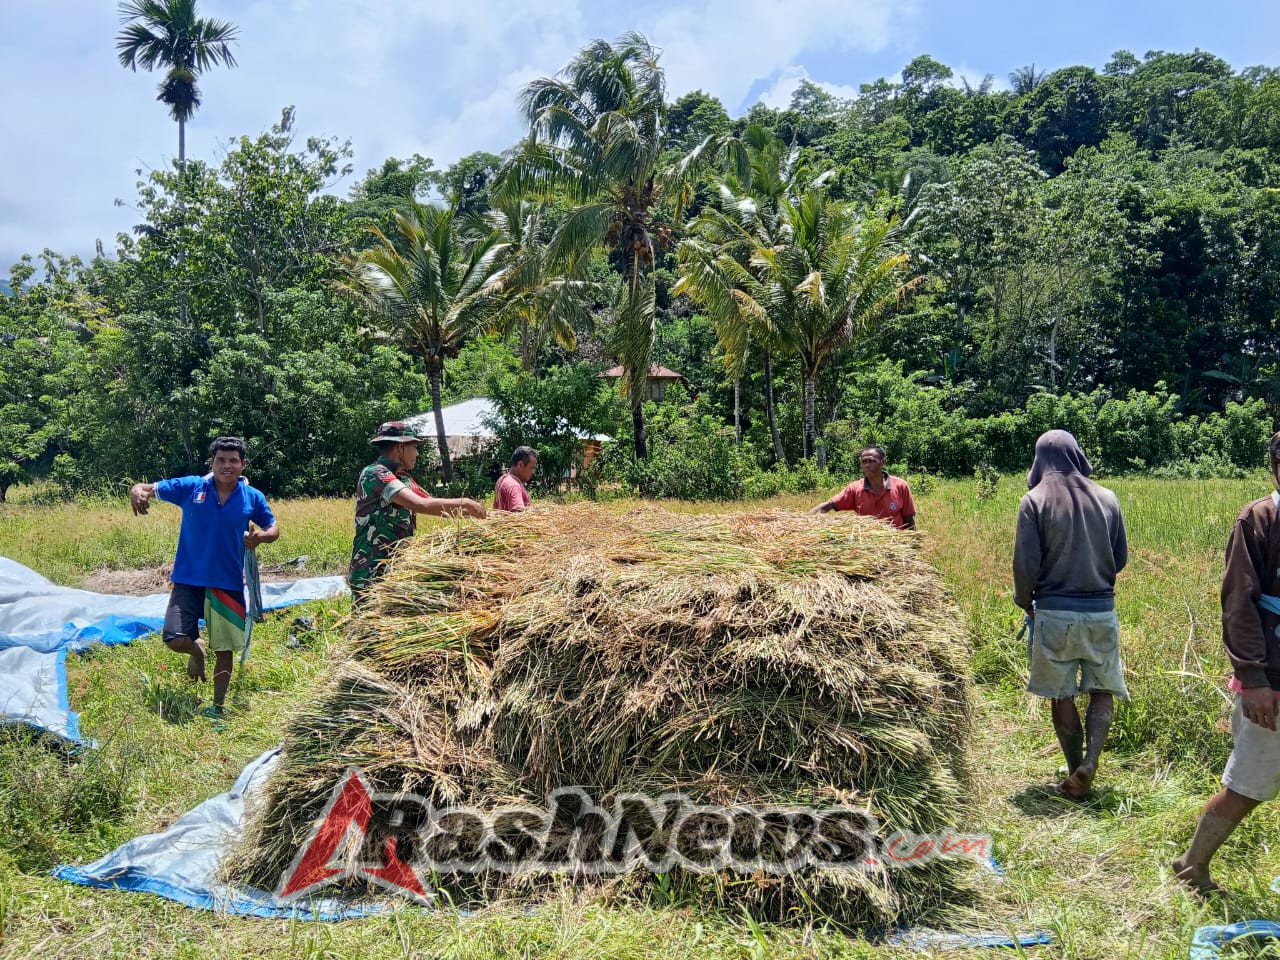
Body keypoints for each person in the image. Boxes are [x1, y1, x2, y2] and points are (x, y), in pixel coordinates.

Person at [1173, 432, 1280, 896]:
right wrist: (1253, 678)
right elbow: (1239, 602)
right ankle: (1191, 864)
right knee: (1249, 784)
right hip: (1271, 680)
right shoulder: (1260, 519)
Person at [1013, 429, 1128, 799]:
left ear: (1039, 459)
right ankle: (1091, 762)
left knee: (1061, 694)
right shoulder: (1107, 498)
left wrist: (1023, 599)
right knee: (1103, 688)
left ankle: (1074, 766)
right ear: (1076, 454)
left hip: (1055, 613)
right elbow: (1120, 557)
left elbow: (1026, 564)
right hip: (1101, 611)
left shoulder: (1034, 500)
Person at [129, 436, 279, 718]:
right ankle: (196, 652)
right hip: (188, 579)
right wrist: (137, 491)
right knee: (174, 638)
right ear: (212, 463)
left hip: (227, 582)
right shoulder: (191, 487)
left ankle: (218, 707)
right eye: (221, 460)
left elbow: (273, 528)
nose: (227, 465)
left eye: (233, 460)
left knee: (225, 650)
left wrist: (261, 537)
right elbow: (145, 487)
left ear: (242, 465)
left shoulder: (252, 497)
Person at [349, 422, 486, 603]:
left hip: (394, 568)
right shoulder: (375, 474)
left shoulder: (402, 478)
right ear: (400, 447)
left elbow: (431, 502)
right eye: (414, 447)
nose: (417, 453)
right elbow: (420, 505)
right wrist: (466, 504)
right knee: (367, 628)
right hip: (371, 570)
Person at [810, 446, 916, 529]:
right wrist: (805, 521)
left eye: (871, 461)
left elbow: (909, 520)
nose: (867, 465)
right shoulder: (855, 488)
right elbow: (829, 505)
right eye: (864, 462)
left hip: (897, 546)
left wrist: (912, 548)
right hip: (869, 547)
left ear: (883, 462)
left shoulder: (900, 486)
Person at [494, 446, 537, 512]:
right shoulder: (514, 486)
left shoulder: (502, 479)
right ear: (520, 465)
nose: (533, 472)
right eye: (531, 468)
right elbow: (519, 518)